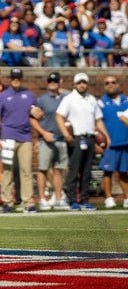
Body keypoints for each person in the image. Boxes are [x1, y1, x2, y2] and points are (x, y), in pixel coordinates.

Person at [56, 73, 111, 211]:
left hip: (90, 137)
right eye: (79, 83)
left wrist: (106, 136)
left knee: (87, 171)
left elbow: (98, 120)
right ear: (75, 84)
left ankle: (85, 200)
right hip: (76, 137)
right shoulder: (69, 99)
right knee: (74, 170)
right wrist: (65, 134)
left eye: (84, 83)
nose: (82, 85)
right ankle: (73, 199)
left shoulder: (91, 99)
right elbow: (59, 116)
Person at [0, 68, 44, 213]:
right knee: (7, 171)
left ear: (21, 79)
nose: (16, 79)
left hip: (25, 137)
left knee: (26, 171)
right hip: (8, 137)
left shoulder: (29, 95)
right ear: (10, 79)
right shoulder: (2, 96)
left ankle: (28, 203)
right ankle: (7, 202)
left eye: (18, 77)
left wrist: (40, 115)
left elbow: (36, 115)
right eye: (14, 77)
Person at [30, 72, 70, 211]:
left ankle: (58, 198)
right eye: (50, 80)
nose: (52, 82)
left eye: (55, 80)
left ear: (60, 81)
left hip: (60, 138)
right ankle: (42, 198)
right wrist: (42, 133)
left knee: (59, 170)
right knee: (43, 169)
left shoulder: (66, 98)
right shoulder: (41, 99)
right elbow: (32, 119)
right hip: (46, 139)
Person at [97, 76, 128, 209]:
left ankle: (127, 197)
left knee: (124, 171)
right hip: (110, 143)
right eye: (107, 83)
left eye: (112, 82)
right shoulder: (101, 103)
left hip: (125, 142)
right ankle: (109, 197)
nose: (110, 85)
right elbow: (97, 122)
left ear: (117, 84)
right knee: (107, 171)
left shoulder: (126, 100)